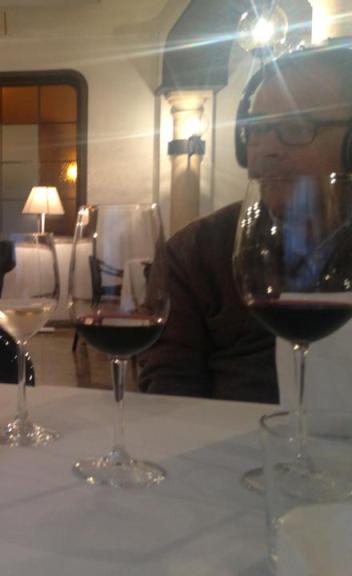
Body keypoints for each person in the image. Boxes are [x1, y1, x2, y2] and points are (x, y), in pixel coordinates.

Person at [138, 45, 352, 403]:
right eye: (256, 128)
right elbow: (168, 388)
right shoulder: (196, 251)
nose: (265, 148)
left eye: (295, 126)